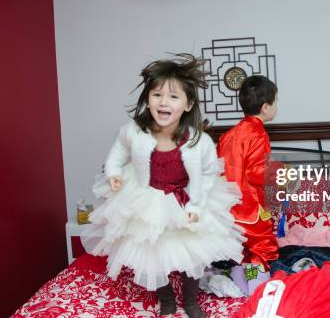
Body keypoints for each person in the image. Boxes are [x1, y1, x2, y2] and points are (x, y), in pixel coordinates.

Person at [82, 54, 244, 318]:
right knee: (152, 251)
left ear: (188, 104)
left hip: (184, 197)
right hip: (147, 197)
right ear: (148, 99)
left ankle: (191, 300)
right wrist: (113, 172)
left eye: (173, 96)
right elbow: (118, 154)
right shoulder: (134, 130)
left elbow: (209, 172)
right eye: (157, 95)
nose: (164, 102)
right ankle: (166, 298)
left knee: (192, 251)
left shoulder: (197, 139)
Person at [217, 75, 279, 296]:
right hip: (252, 208)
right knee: (261, 248)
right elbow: (256, 172)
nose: (276, 106)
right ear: (265, 107)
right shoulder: (258, 133)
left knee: (242, 250)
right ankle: (257, 291)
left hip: (228, 208)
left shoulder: (227, 136)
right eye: (276, 101)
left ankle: (241, 283)